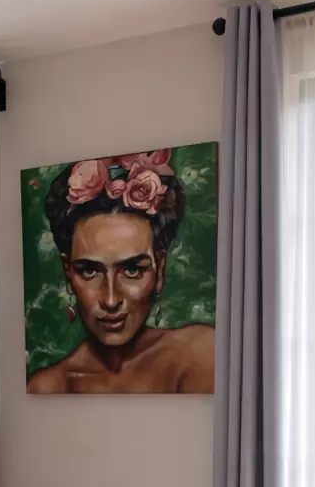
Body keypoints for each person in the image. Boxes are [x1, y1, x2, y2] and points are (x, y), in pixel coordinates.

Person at [27, 150, 214, 394]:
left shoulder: (200, 354)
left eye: (132, 270)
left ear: (160, 269)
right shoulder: (48, 388)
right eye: (89, 271)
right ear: (68, 274)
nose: (111, 300)